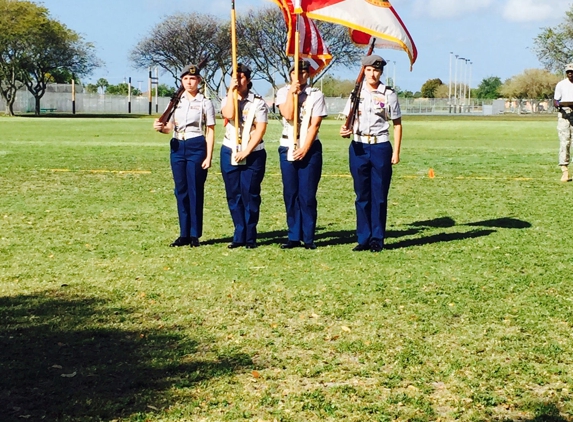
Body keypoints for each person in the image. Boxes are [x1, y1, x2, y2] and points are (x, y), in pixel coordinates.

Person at [340, 54, 402, 252]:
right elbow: (347, 120)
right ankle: (363, 237)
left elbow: (397, 124)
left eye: (376, 70)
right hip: (358, 146)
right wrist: (344, 130)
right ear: (363, 71)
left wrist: (397, 151)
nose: (372, 74)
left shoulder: (388, 94)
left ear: (381, 72)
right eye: (368, 70)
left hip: (380, 146)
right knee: (362, 195)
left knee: (379, 195)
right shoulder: (356, 93)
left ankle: (377, 238)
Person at [153, 64, 215, 247]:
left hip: (196, 145)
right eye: (186, 79)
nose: (189, 82)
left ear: (199, 81)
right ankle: (183, 233)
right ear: (182, 81)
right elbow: (169, 127)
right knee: (180, 191)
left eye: (193, 79)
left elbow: (210, 130)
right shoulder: (175, 101)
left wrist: (208, 156)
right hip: (178, 146)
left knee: (195, 190)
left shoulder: (205, 102)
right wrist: (160, 129)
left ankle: (195, 234)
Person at [275, 59, 327, 250]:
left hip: (309, 147)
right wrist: (292, 93)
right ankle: (293, 235)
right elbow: (288, 114)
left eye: (304, 72)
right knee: (291, 193)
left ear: (309, 74)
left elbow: (315, 124)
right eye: (296, 72)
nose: (300, 75)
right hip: (288, 144)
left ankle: (309, 237)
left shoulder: (316, 95)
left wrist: (305, 148)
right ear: (290, 74)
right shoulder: (283, 92)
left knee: (307, 194)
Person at [220, 63, 268, 249]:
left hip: (253, 153)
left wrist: (246, 151)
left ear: (247, 80)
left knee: (250, 194)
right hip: (229, 149)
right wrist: (231, 92)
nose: (237, 80)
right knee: (234, 194)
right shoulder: (227, 98)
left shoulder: (258, 102)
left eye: (240, 77)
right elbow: (229, 114)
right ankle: (239, 233)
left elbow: (260, 128)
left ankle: (250, 236)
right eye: (234, 77)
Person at [553, 63, 573, 182]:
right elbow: (556, 100)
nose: (570, 73)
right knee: (564, 142)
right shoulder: (561, 84)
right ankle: (564, 170)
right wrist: (559, 105)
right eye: (568, 72)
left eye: (572, 71)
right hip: (564, 115)